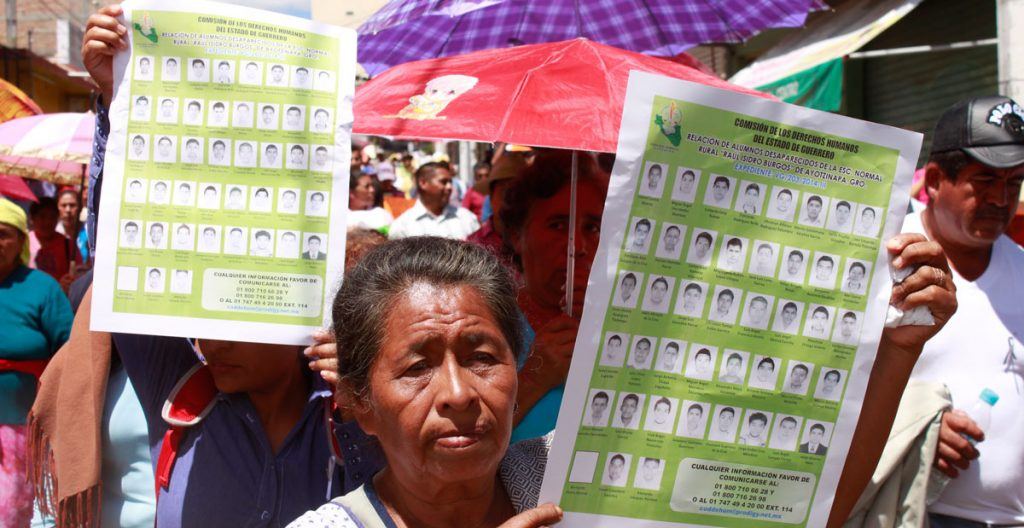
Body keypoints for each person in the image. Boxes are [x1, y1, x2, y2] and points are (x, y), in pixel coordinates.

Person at [290, 237, 561, 527]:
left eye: (482, 358)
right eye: (418, 368)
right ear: (360, 401)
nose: (458, 394)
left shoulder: (574, 476)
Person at [898, 96, 1024, 527]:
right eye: (984, 180)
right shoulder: (888, 258)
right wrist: (914, 426)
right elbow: (831, 380)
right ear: (934, 180)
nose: (1000, 198)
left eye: (1014, 182)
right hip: (920, 514)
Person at [0, 199, 73, 526]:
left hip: (25, 429)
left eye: (4, 234)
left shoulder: (42, 287)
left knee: (14, 511)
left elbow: (69, 350)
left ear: (20, 241)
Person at [388, 162, 480, 239]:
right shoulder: (402, 226)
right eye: (443, 182)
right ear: (423, 183)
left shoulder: (467, 219)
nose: (449, 187)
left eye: (450, 182)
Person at [28, 197, 82, 289]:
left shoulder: (68, 245)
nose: (47, 222)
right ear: (32, 218)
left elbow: (79, 275)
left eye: (52, 217)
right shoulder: (24, 241)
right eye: (42, 216)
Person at [56, 189, 90, 264]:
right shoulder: (53, 232)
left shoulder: (89, 231)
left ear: (80, 207)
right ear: (57, 207)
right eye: (63, 205)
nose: (68, 210)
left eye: (72, 205)